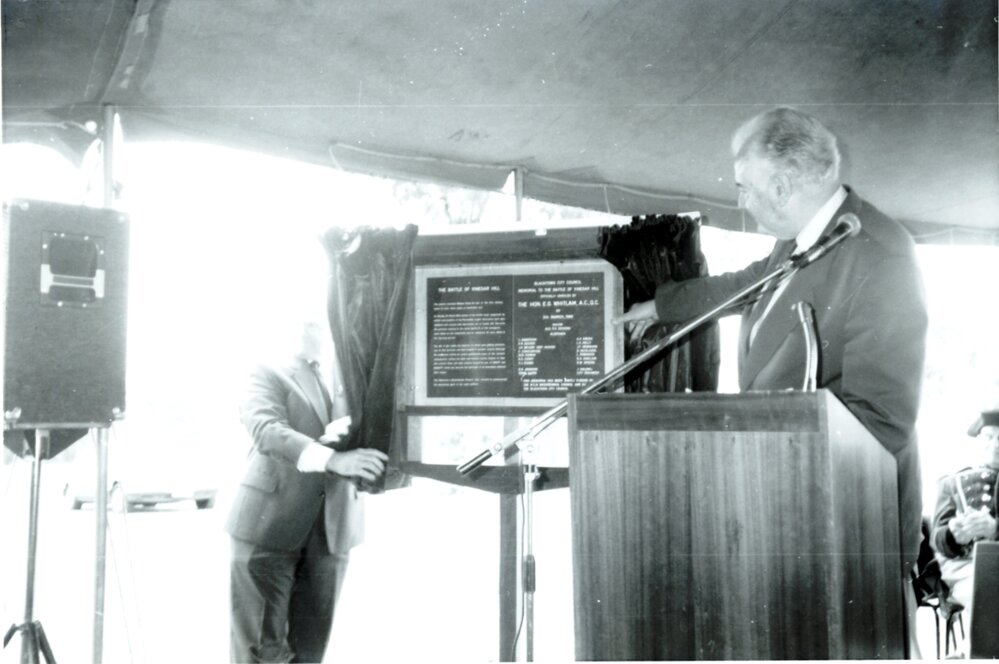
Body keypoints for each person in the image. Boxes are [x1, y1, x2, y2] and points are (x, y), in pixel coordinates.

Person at [616, 107, 928, 649]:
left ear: (781, 186)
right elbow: (752, 283)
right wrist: (661, 304)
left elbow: (883, 421)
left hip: (850, 535)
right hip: (793, 517)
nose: (739, 201)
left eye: (743, 188)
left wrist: (774, 467)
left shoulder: (880, 255)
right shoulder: (811, 235)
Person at [225, 316, 389, 663]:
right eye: (301, 317)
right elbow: (266, 429)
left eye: (316, 318)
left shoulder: (357, 375)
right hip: (268, 527)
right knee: (261, 652)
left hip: (335, 531)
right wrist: (333, 459)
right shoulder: (267, 370)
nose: (309, 324)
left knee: (311, 651)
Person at [930, 408, 999, 618]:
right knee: (986, 591)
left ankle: (966, 650)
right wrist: (953, 535)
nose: (996, 445)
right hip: (965, 566)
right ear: (978, 440)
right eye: (989, 437)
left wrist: (995, 529)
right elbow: (937, 538)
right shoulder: (951, 483)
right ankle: (975, 649)